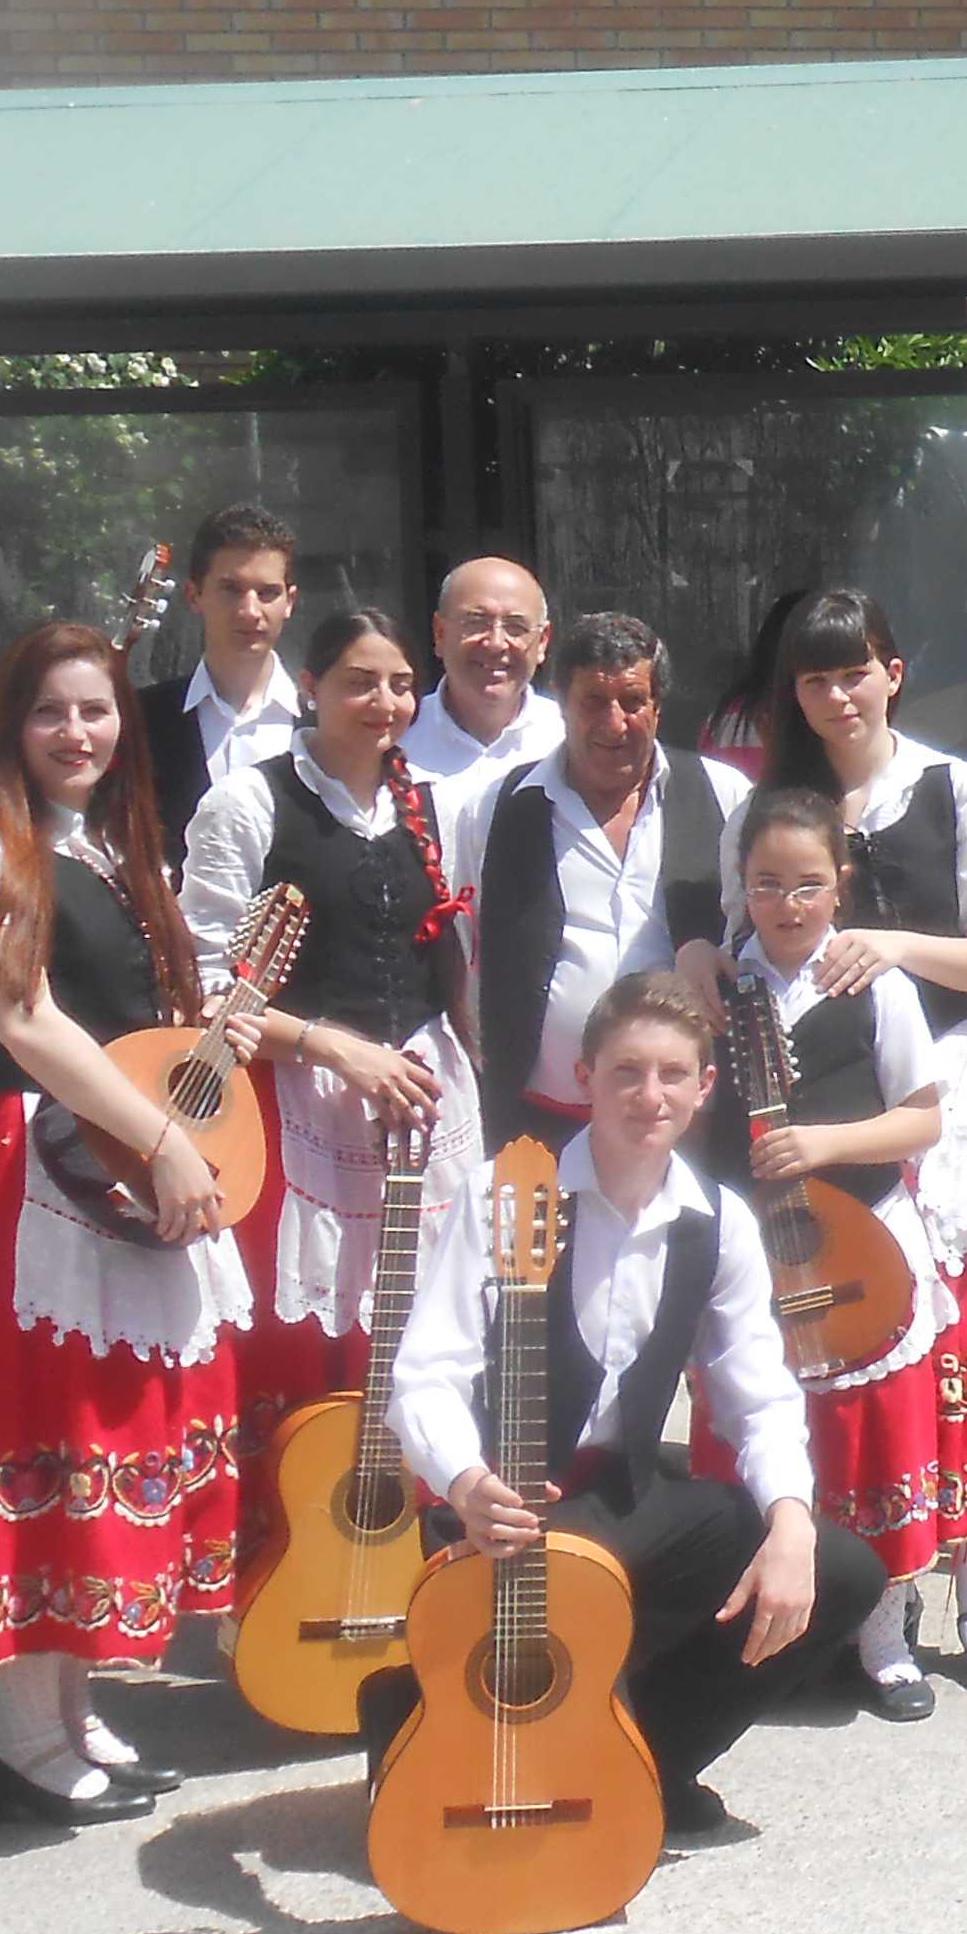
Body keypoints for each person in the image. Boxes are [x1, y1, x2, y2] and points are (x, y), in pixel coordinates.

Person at [376, 973, 891, 1841]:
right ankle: (418, 1724)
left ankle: (641, 1762)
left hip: (625, 1498)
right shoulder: (504, 1194)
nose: (649, 1096)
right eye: (626, 1072)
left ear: (704, 1088)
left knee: (841, 1573)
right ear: (584, 1077)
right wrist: (465, 1483)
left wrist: (792, 1523)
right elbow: (423, 1371)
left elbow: (758, 1392)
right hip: (502, 1508)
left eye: (671, 1074)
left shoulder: (721, 1221)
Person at [0, 620, 250, 1822]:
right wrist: (165, 1142)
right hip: (40, 1171)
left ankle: (66, 1712)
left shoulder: (111, 847)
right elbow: (24, 1019)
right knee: (48, 1440)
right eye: (52, 712)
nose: (79, 733)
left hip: (110, 1156)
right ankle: (20, 1737)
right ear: (10, 724)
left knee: (107, 1438)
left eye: (99, 710)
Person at [752, 588, 967, 1689]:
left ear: (893, 671)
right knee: (865, 1347)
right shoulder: (774, 805)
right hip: (824, 1108)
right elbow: (744, 940)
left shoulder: (953, 788)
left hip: (938, 1087)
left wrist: (885, 944)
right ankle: (879, 1594)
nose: (835, 695)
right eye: (814, 678)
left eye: (853, 671)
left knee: (962, 1331)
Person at [183, 607, 480, 1571]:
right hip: (298, 1109)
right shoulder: (251, 803)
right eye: (359, 681)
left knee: (420, 1332)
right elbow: (204, 987)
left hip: (425, 1106)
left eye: (400, 683)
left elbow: (457, 961)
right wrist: (333, 1049)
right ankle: (291, 1566)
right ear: (309, 686)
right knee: (298, 1347)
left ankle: (410, 1561)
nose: (384, 702)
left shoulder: (432, 804)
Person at [714, 786, 952, 1717]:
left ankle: (882, 1629)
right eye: (768, 883)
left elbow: (924, 1118)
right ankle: (772, 1632)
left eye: (807, 884)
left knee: (870, 1437)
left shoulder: (873, 985)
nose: (788, 904)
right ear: (743, 885)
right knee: (776, 1434)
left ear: (839, 886)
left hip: (864, 1242)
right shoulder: (723, 987)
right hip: (761, 1253)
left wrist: (822, 1146)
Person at [451, 611, 734, 1157]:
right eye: (593, 702)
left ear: (658, 706)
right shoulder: (493, 807)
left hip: (683, 1130)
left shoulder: (723, 796)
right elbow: (466, 949)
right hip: (539, 1123)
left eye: (632, 701)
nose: (614, 722)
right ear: (560, 702)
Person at [134, 501, 304, 841]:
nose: (250, 611)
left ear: (290, 602)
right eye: (231, 590)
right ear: (194, 595)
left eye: (268, 593)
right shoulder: (141, 719)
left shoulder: (325, 719)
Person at [400, 555, 562, 798]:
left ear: (542, 642)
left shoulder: (569, 738)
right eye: (476, 623)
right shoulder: (397, 740)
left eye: (515, 627)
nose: (496, 643)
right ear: (440, 633)